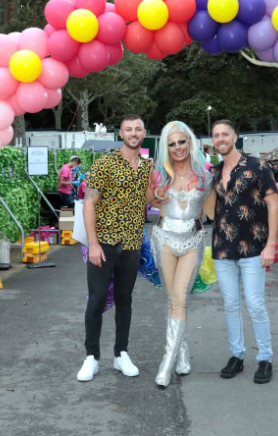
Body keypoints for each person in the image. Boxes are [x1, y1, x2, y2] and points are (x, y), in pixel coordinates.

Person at [78, 115, 154, 382]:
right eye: (128, 129)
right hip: (104, 244)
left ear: (144, 133)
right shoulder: (105, 163)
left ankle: (121, 354)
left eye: (138, 129)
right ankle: (91, 357)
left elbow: (149, 200)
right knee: (96, 300)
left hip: (132, 245)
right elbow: (89, 203)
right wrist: (94, 244)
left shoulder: (146, 167)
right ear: (120, 133)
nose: (133, 133)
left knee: (125, 301)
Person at [210, 120, 278, 384]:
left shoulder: (258, 166)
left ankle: (265, 358)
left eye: (224, 134)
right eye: (216, 135)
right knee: (230, 304)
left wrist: (271, 245)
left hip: (254, 247)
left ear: (235, 136)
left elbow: (273, 206)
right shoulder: (214, 172)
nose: (220, 138)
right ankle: (236, 355)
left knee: (255, 304)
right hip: (222, 248)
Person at [149, 121, 212, 387]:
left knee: (179, 300)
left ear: (190, 142)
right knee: (173, 299)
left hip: (192, 242)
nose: (177, 148)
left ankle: (167, 364)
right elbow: (139, 205)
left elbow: (214, 214)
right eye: (171, 143)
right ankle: (182, 354)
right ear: (166, 147)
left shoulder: (206, 177)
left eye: (181, 142)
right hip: (163, 240)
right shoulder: (157, 176)